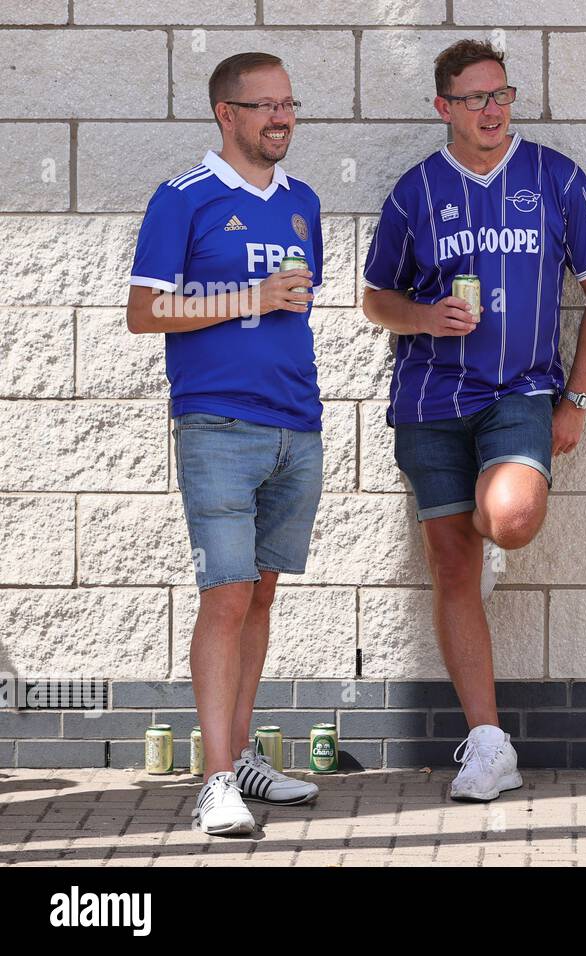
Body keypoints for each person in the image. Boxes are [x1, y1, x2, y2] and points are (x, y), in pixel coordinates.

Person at [361, 39, 586, 802]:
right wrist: (423, 315)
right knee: (451, 567)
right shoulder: (417, 192)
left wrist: (575, 400)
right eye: (475, 98)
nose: (492, 110)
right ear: (444, 107)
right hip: (430, 402)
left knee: (507, 520)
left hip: (520, 394)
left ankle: (493, 519)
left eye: (502, 94)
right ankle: (487, 744)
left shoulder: (554, 176)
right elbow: (376, 299)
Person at [126, 52, 323, 835]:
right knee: (227, 593)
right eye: (265, 105)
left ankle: (241, 756)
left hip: (296, 425)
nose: (281, 117)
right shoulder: (183, 199)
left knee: (264, 593)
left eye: (289, 103)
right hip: (215, 425)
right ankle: (214, 782)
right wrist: (250, 295)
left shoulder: (303, 201)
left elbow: (297, 310)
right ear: (226, 114)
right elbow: (145, 311)